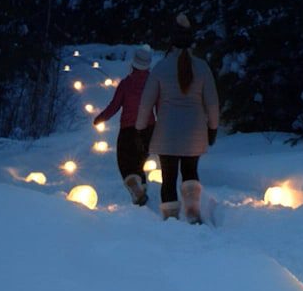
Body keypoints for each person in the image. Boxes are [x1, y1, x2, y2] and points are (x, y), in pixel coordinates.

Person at [134, 13, 220, 223]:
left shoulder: (161, 68)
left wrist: (141, 129)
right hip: (195, 133)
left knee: (169, 178)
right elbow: (212, 103)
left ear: (171, 41)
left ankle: (171, 219)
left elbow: (146, 103)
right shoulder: (202, 68)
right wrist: (212, 128)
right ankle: (192, 213)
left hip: (167, 134)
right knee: (190, 172)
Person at [93, 46, 156, 205]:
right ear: (148, 65)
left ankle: (135, 187)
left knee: (126, 162)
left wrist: (100, 118)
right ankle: (141, 189)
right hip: (149, 129)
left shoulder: (126, 84)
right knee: (140, 161)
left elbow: (114, 105)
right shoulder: (154, 83)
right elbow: (160, 105)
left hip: (129, 130)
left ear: (133, 64)